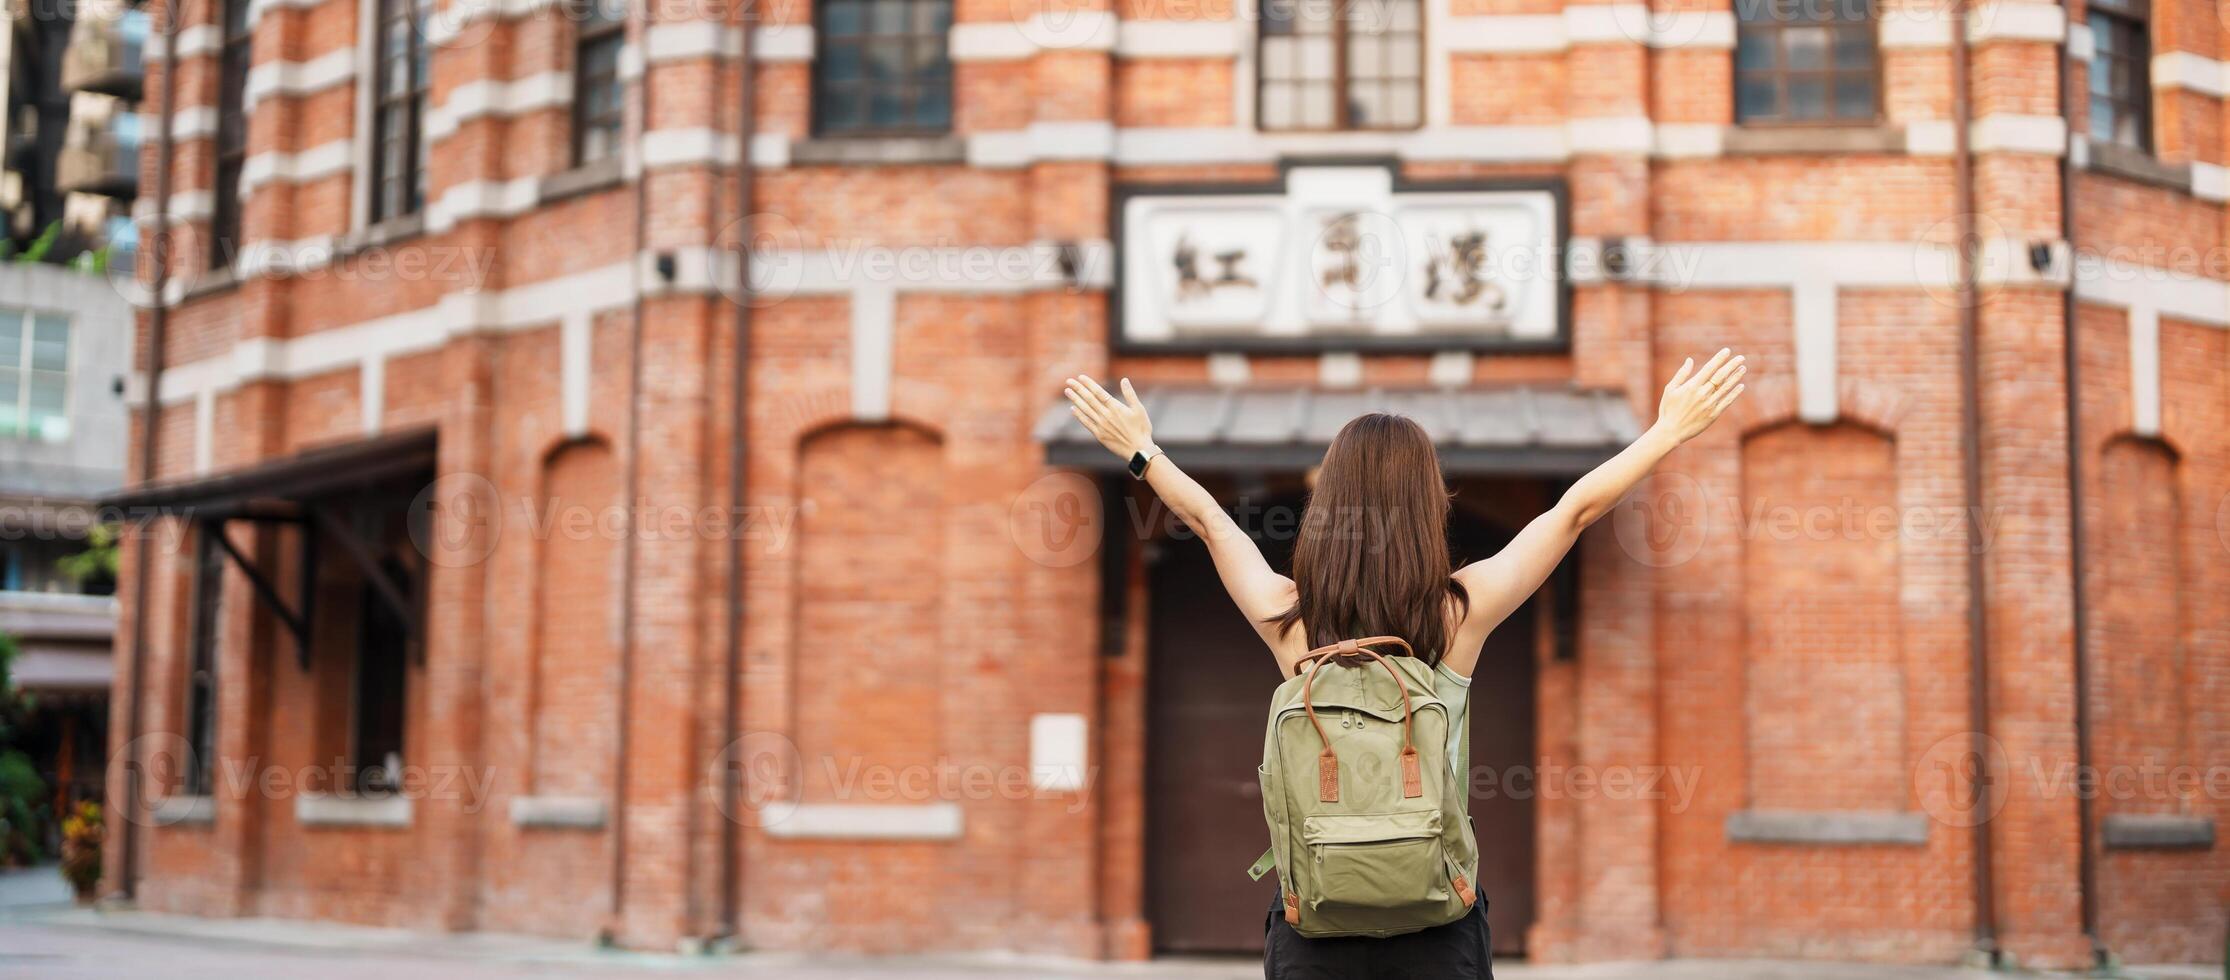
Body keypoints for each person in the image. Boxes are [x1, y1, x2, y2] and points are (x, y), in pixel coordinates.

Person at [1061, 348, 1746, 979]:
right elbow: (1573, 512)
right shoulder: (1457, 614)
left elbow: (1213, 522)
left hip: (1314, 927)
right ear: (1428, 505)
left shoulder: (1289, 623)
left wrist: (1142, 452)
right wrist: (1666, 433)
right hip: (1436, 925)